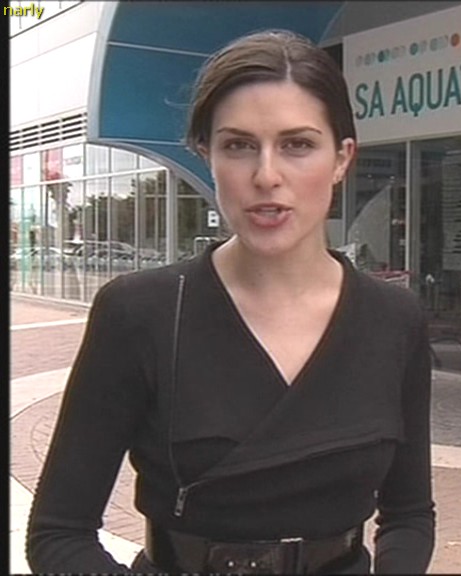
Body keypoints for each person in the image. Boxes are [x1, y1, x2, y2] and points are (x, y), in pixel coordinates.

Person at [26, 29, 435, 574]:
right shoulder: (139, 312)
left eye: (297, 145)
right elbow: (59, 534)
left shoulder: (394, 319)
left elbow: (409, 514)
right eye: (239, 145)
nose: (267, 175)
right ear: (206, 154)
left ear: (342, 159)